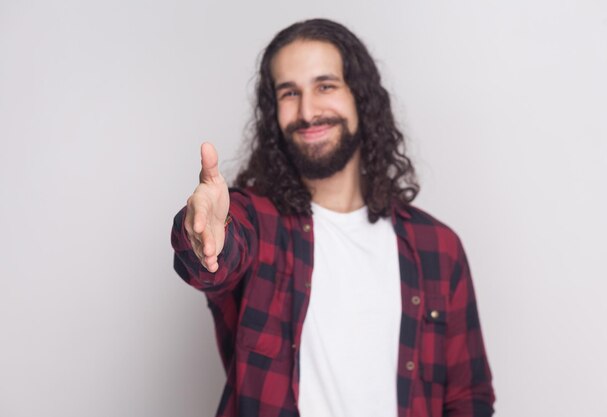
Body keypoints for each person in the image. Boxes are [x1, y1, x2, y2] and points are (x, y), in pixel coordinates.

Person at [171, 18, 494, 417]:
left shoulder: (438, 247)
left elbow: (469, 398)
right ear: (274, 113)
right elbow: (213, 262)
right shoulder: (258, 222)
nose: (307, 112)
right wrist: (202, 234)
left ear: (360, 97)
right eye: (290, 93)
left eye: (325, 86)